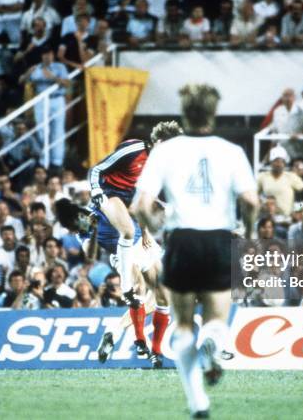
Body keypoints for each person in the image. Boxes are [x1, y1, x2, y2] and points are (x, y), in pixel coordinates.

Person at [133, 84, 259, 418]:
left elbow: (140, 204)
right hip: (219, 239)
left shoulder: (166, 151)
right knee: (217, 318)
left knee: (183, 326)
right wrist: (248, 229)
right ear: (213, 113)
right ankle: (215, 342)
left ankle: (197, 402)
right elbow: (250, 201)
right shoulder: (231, 151)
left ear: (184, 114)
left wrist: (159, 227)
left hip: (182, 240)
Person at [87, 121, 183, 358]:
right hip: (109, 202)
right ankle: (138, 335)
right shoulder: (133, 150)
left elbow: (142, 200)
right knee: (138, 285)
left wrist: (147, 231)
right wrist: (97, 194)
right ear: (157, 141)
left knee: (163, 293)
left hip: (131, 221)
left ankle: (120, 332)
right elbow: (97, 170)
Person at [19, 45, 70, 170]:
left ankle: (56, 162)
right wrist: (27, 74)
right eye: (45, 54)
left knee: (57, 131)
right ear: (42, 56)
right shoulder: (36, 68)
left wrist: (53, 77)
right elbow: (21, 81)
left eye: (50, 54)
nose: (47, 57)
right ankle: (44, 159)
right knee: (42, 131)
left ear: (53, 55)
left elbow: (68, 83)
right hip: (41, 101)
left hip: (57, 99)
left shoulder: (60, 67)